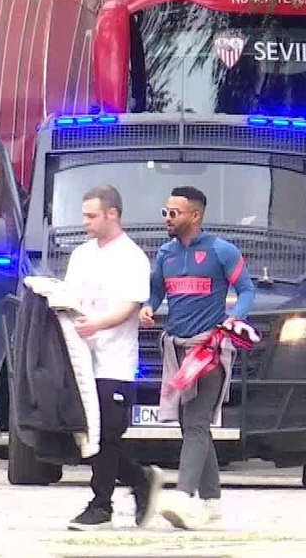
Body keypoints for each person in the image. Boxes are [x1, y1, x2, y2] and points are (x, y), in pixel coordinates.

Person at [140, 185, 256, 531]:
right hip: (177, 351)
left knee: (195, 423)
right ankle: (212, 502)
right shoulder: (166, 254)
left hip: (209, 350)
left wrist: (234, 320)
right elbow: (157, 291)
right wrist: (148, 307)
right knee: (193, 425)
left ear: (195, 215)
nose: (167, 218)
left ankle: (183, 495)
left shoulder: (222, 251)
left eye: (173, 213)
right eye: (165, 212)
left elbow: (247, 289)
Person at [61, 185, 163, 530]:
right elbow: (70, 298)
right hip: (82, 359)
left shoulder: (132, 257)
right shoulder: (80, 256)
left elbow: (130, 306)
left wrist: (98, 324)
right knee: (89, 436)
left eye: (92, 216)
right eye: (84, 216)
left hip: (115, 362)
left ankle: (101, 504)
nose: (86, 222)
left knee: (107, 435)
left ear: (112, 214)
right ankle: (140, 478)